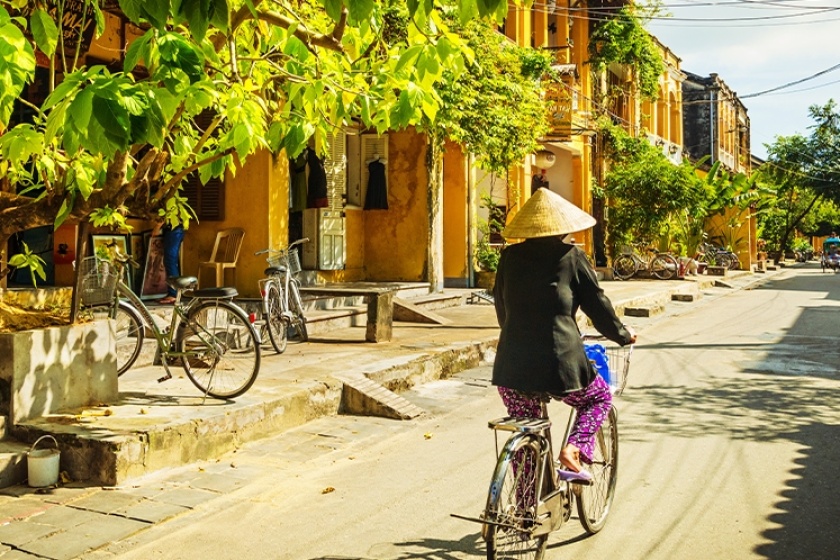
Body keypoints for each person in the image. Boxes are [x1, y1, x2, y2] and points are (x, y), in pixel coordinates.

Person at [492, 188, 636, 482]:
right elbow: (597, 305)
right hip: (560, 365)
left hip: (511, 366)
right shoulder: (572, 257)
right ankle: (574, 450)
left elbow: (502, 310)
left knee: (528, 435)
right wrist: (623, 335)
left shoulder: (509, 257)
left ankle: (525, 516)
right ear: (562, 229)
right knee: (598, 398)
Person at [153, 218, 185, 305]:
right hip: (174, 231)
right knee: (170, 261)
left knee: (170, 261)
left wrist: (158, 225)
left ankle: (174, 294)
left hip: (174, 231)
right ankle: (173, 292)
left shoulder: (170, 208)